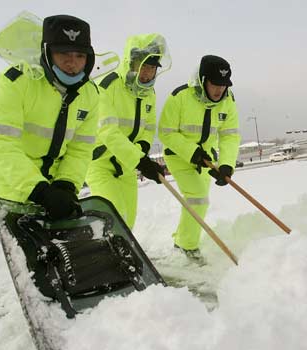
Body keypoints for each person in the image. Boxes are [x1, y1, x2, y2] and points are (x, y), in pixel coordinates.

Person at [0, 15, 100, 220]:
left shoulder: (90, 94)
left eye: (80, 55)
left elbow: (80, 149)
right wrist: (40, 191)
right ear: (47, 52)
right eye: (63, 53)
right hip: (14, 189)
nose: (71, 63)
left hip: (59, 188)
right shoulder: (15, 82)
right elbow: (2, 146)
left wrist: (66, 183)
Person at [158, 55, 240, 261]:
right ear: (203, 80)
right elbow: (165, 133)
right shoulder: (179, 97)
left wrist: (226, 165)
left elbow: (229, 135)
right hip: (179, 156)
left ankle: (180, 241)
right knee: (198, 199)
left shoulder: (228, 101)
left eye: (224, 84)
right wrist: (191, 152)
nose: (219, 90)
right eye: (215, 83)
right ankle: (188, 247)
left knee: (195, 201)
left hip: (206, 158)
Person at [86, 33, 170, 228]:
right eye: (144, 66)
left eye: (152, 68)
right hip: (100, 164)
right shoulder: (107, 86)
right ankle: (103, 257)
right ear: (132, 63)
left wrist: (142, 147)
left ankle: (121, 258)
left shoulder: (149, 94)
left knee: (128, 221)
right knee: (115, 217)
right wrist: (140, 161)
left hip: (127, 166)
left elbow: (148, 127)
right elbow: (108, 131)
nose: (148, 73)